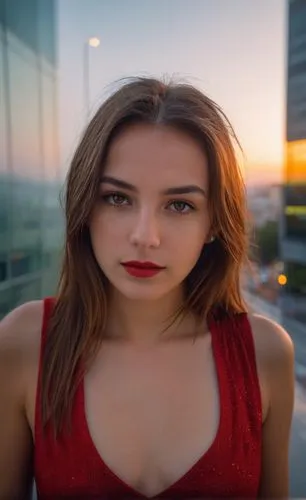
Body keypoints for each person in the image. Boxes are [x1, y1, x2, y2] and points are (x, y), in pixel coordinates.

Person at [0, 76, 295, 500]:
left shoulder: (265, 354)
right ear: (86, 205)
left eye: (179, 205)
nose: (145, 236)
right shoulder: (25, 343)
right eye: (118, 199)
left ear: (212, 223)